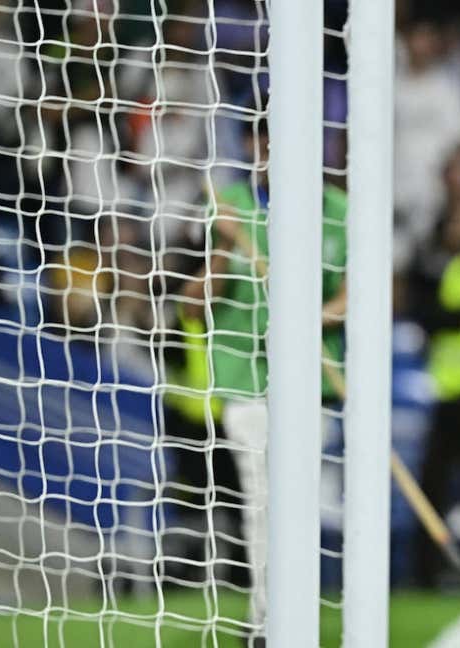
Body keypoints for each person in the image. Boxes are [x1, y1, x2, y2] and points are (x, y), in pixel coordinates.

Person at [181, 123, 347, 648]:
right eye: (265, 143)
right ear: (255, 147)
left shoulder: (338, 210)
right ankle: (266, 618)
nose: (271, 154)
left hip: (310, 376)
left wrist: (314, 318)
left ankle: (284, 611)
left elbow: (357, 293)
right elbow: (195, 301)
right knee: (260, 496)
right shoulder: (228, 206)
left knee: (296, 498)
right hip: (243, 374)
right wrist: (224, 248)